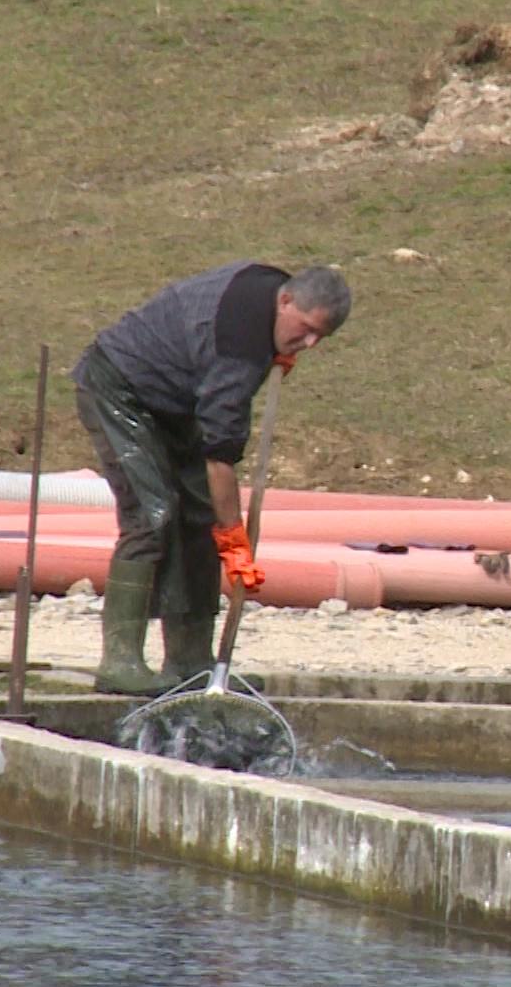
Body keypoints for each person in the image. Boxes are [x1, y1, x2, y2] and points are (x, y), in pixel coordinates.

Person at [71, 261, 351, 695]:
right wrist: (234, 541)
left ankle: (191, 662)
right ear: (286, 300)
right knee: (153, 514)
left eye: (321, 338)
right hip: (120, 387)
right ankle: (120, 662)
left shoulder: (270, 299)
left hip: (177, 400)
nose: (309, 344)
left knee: (198, 517)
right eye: (305, 329)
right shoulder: (239, 344)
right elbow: (219, 458)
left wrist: (217, 527)